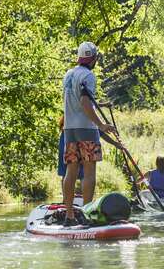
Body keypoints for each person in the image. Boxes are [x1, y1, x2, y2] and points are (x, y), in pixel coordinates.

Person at [62, 41, 117, 226]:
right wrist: (101, 125)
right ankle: (86, 214)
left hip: (69, 129)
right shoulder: (89, 75)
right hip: (87, 129)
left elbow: (78, 102)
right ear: (93, 59)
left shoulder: (68, 74)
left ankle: (69, 216)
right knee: (89, 172)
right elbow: (85, 103)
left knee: (71, 171)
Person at [57, 116, 84, 189]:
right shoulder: (80, 120)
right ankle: (86, 198)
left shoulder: (67, 119)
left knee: (66, 174)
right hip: (72, 147)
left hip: (66, 149)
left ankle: (65, 197)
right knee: (84, 175)